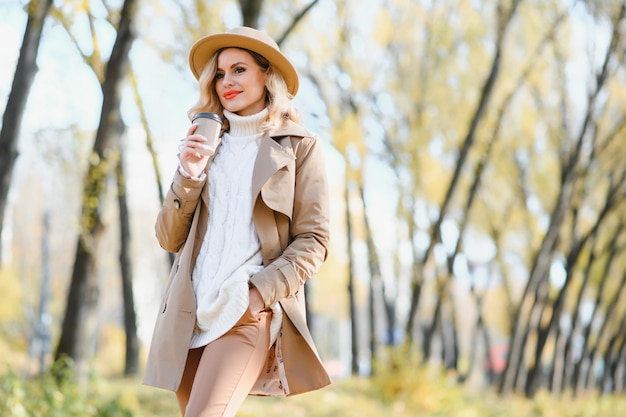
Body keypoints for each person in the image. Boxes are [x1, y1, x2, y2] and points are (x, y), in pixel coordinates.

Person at [142, 26, 331, 417]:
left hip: (245, 311)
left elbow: (314, 240)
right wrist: (190, 173)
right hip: (188, 315)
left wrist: (258, 294)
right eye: (220, 73)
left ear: (267, 75)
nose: (227, 81)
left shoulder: (298, 146)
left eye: (239, 69)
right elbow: (168, 237)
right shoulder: (204, 143)